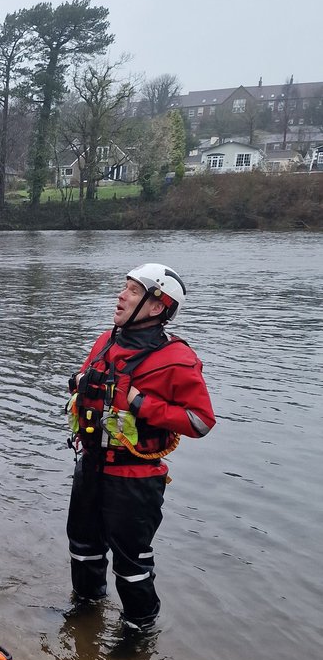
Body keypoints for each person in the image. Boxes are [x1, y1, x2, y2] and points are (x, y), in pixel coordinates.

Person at [65, 264, 215, 631]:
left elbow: (201, 421)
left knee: (132, 564)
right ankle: (85, 613)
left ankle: (140, 630)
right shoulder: (106, 340)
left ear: (157, 305)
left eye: (133, 290)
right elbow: (82, 381)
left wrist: (139, 403)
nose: (121, 295)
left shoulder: (177, 359)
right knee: (82, 549)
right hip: (91, 465)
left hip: (134, 479)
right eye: (124, 287)